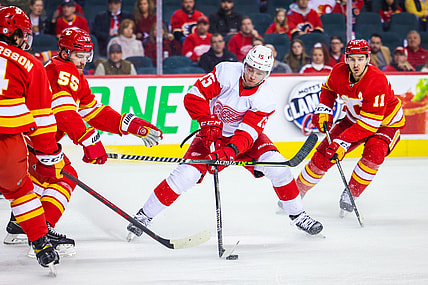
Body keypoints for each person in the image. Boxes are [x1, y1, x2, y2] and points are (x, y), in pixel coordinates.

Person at [126, 45, 324, 242]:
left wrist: (227, 153)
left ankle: (298, 216)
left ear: (267, 73)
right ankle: (144, 216)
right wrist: (206, 120)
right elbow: (194, 96)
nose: (252, 76)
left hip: (245, 141)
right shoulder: (226, 72)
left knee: (279, 168)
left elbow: (247, 134)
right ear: (244, 64)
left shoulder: (266, 98)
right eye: (250, 68)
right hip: (211, 133)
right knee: (185, 175)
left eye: (259, 72)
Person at [5, 28, 162, 256]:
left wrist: (132, 125)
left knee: (39, 182)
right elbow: (64, 114)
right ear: (66, 52)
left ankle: (19, 226)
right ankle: (43, 231)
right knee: (64, 175)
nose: (83, 60)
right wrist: (90, 140)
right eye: (79, 55)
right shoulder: (61, 71)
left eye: (87, 55)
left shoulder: (69, 72)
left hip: (30, 141)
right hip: (34, 142)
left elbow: (94, 111)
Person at [296, 39, 405, 214]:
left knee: (374, 153)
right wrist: (324, 110)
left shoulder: (377, 80)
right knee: (325, 153)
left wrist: (342, 142)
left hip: (385, 124)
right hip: (354, 119)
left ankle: (351, 193)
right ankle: (296, 192)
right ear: (346, 58)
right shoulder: (338, 72)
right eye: (352, 59)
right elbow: (328, 90)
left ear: (367, 59)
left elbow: (370, 125)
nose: (356, 64)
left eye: (361, 59)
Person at [0, 6, 63, 269]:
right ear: (14, 35)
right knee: (21, 190)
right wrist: (48, 154)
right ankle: (41, 244)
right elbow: (44, 120)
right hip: (7, 142)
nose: (26, 40)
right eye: (23, 35)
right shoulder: (31, 65)